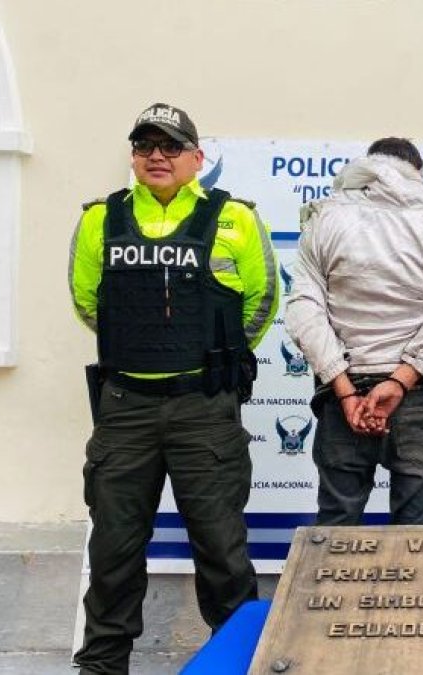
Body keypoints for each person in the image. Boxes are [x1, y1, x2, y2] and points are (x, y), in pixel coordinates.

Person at [68, 103, 279, 674]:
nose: (157, 156)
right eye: (145, 146)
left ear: (196, 157)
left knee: (222, 553)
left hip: (203, 408)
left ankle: (238, 665)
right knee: (113, 552)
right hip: (125, 407)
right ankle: (102, 667)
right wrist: (145, 348)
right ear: (134, 156)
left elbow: (262, 301)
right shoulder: (99, 220)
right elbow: (89, 302)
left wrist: (204, 359)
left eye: (170, 146)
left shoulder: (234, 218)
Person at [285, 137, 423, 526]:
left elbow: (303, 310)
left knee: (335, 530)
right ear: (418, 171)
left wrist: (344, 388)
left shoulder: (326, 217)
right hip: (416, 394)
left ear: (366, 166)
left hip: (343, 395)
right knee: (415, 535)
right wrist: (401, 380)